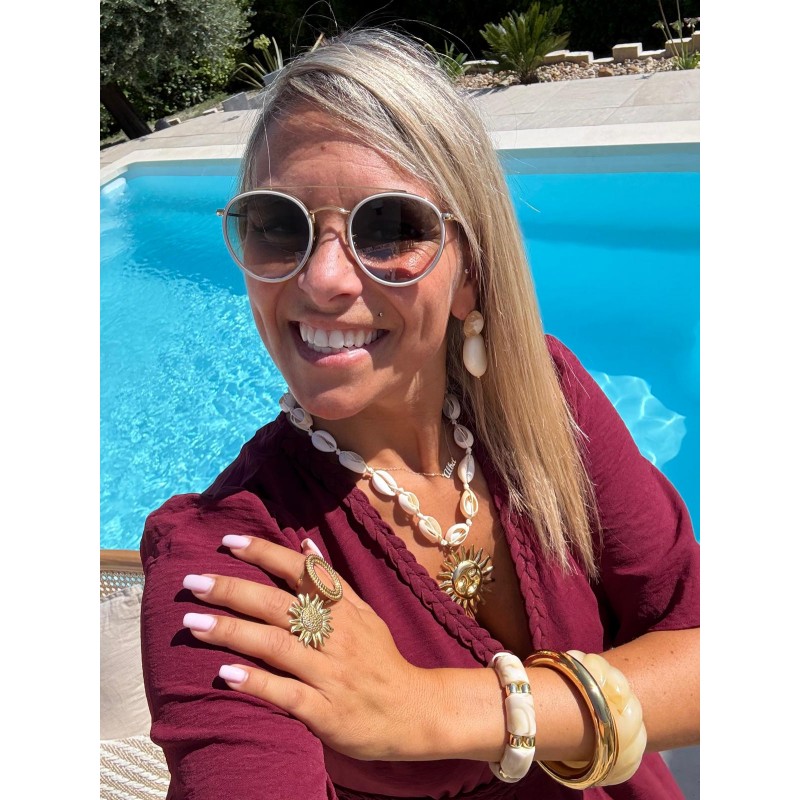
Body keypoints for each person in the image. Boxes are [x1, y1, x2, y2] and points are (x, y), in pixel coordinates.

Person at [139, 27, 699, 800]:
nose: (324, 279)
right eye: (277, 226)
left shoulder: (548, 404)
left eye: (389, 227)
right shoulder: (230, 564)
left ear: (470, 273)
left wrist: (433, 709)